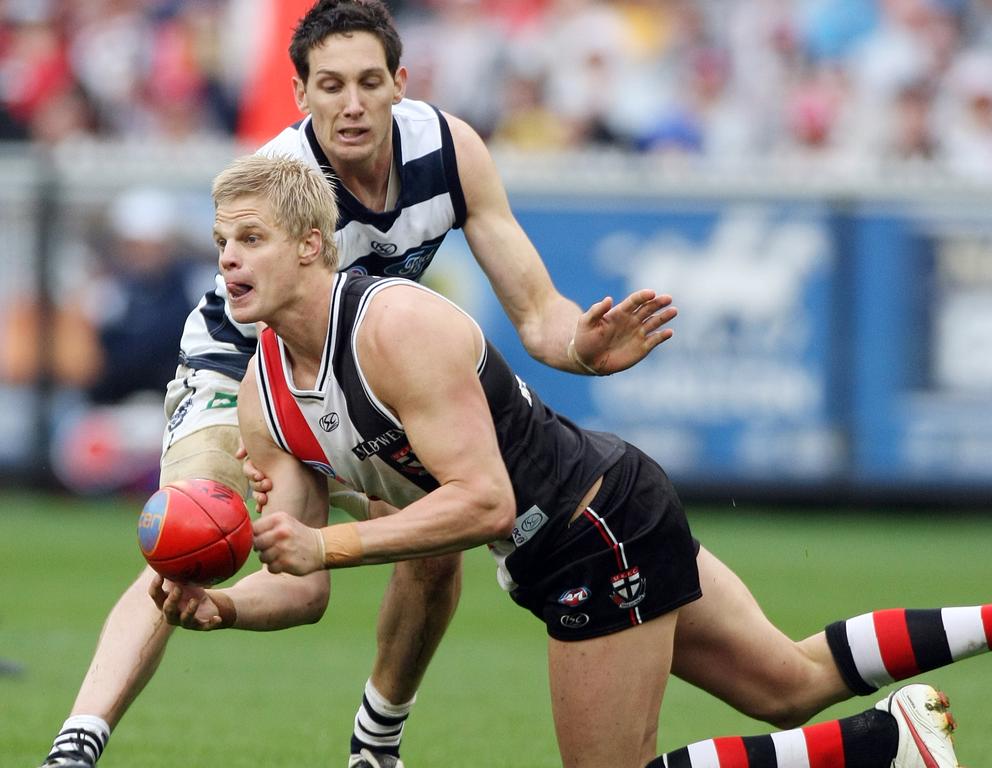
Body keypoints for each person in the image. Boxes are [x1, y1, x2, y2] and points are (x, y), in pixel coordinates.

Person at [153, 153, 992, 767]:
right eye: (222, 239)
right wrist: (224, 607)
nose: (227, 258)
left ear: (312, 245)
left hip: (590, 523)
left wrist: (332, 547)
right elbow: (300, 585)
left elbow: (484, 504)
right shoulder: (264, 399)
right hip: (592, 516)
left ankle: (886, 746)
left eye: (250, 238)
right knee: (788, 685)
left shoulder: (395, 325)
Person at [37, 3, 676, 768]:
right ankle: (78, 741)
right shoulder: (291, 186)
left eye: (370, 82)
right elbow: (269, 319)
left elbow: (541, 315)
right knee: (190, 531)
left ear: (400, 83)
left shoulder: (447, 149)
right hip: (242, 366)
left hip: (347, 373)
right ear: (300, 94)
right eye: (330, 84)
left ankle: (376, 738)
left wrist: (582, 344)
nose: (351, 103)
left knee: (441, 527)